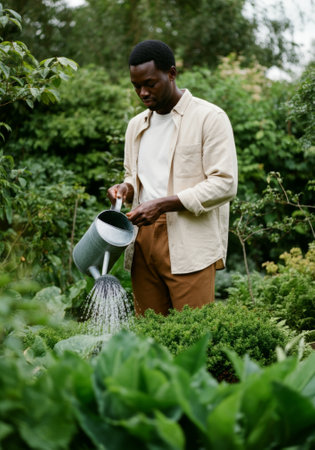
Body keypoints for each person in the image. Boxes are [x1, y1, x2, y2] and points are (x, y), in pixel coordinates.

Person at [107, 40, 238, 316]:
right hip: (142, 238)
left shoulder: (209, 118)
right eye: (136, 86)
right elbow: (134, 175)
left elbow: (225, 183)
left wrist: (163, 205)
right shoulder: (136, 126)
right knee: (150, 336)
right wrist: (126, 188)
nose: (142, 92)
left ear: (172, 73)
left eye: (150, 84)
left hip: (189, 240)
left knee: (192, 337)